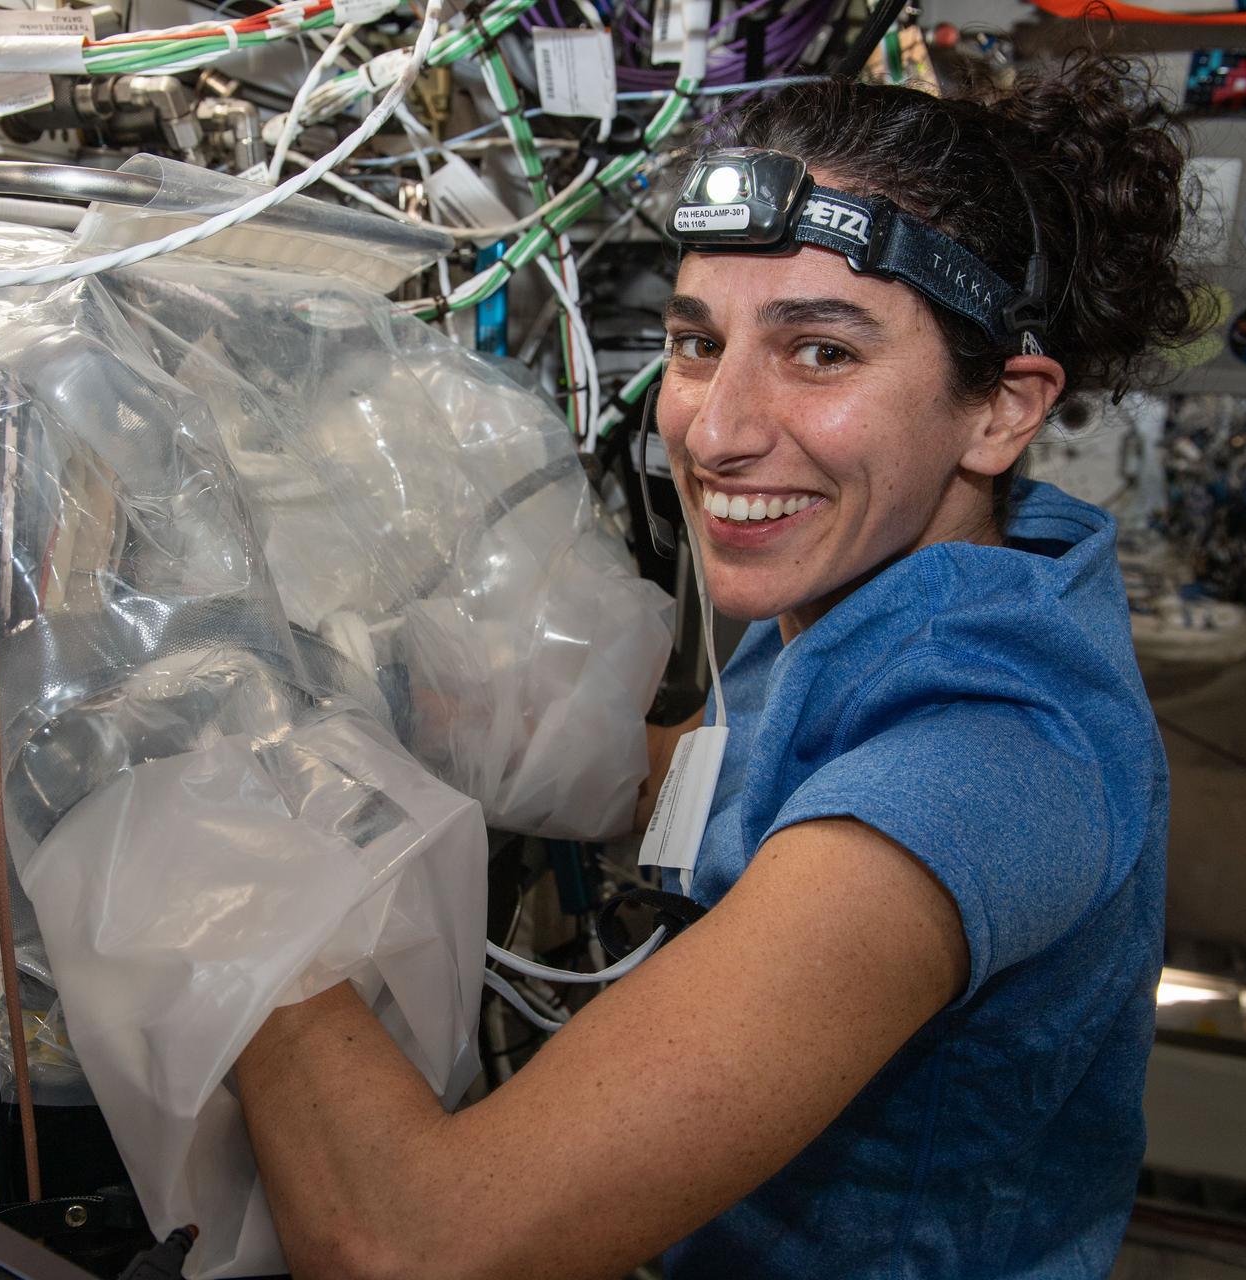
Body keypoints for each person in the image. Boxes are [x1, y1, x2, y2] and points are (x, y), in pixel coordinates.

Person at [233, 48, 1197, 1279]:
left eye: (822, 352)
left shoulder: (982, 766)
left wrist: (230, 872)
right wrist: (466, 718)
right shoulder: (935, 582)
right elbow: (775, 775)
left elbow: (411, 1243)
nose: (718, 430)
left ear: (1004, 408)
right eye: (697, 344)